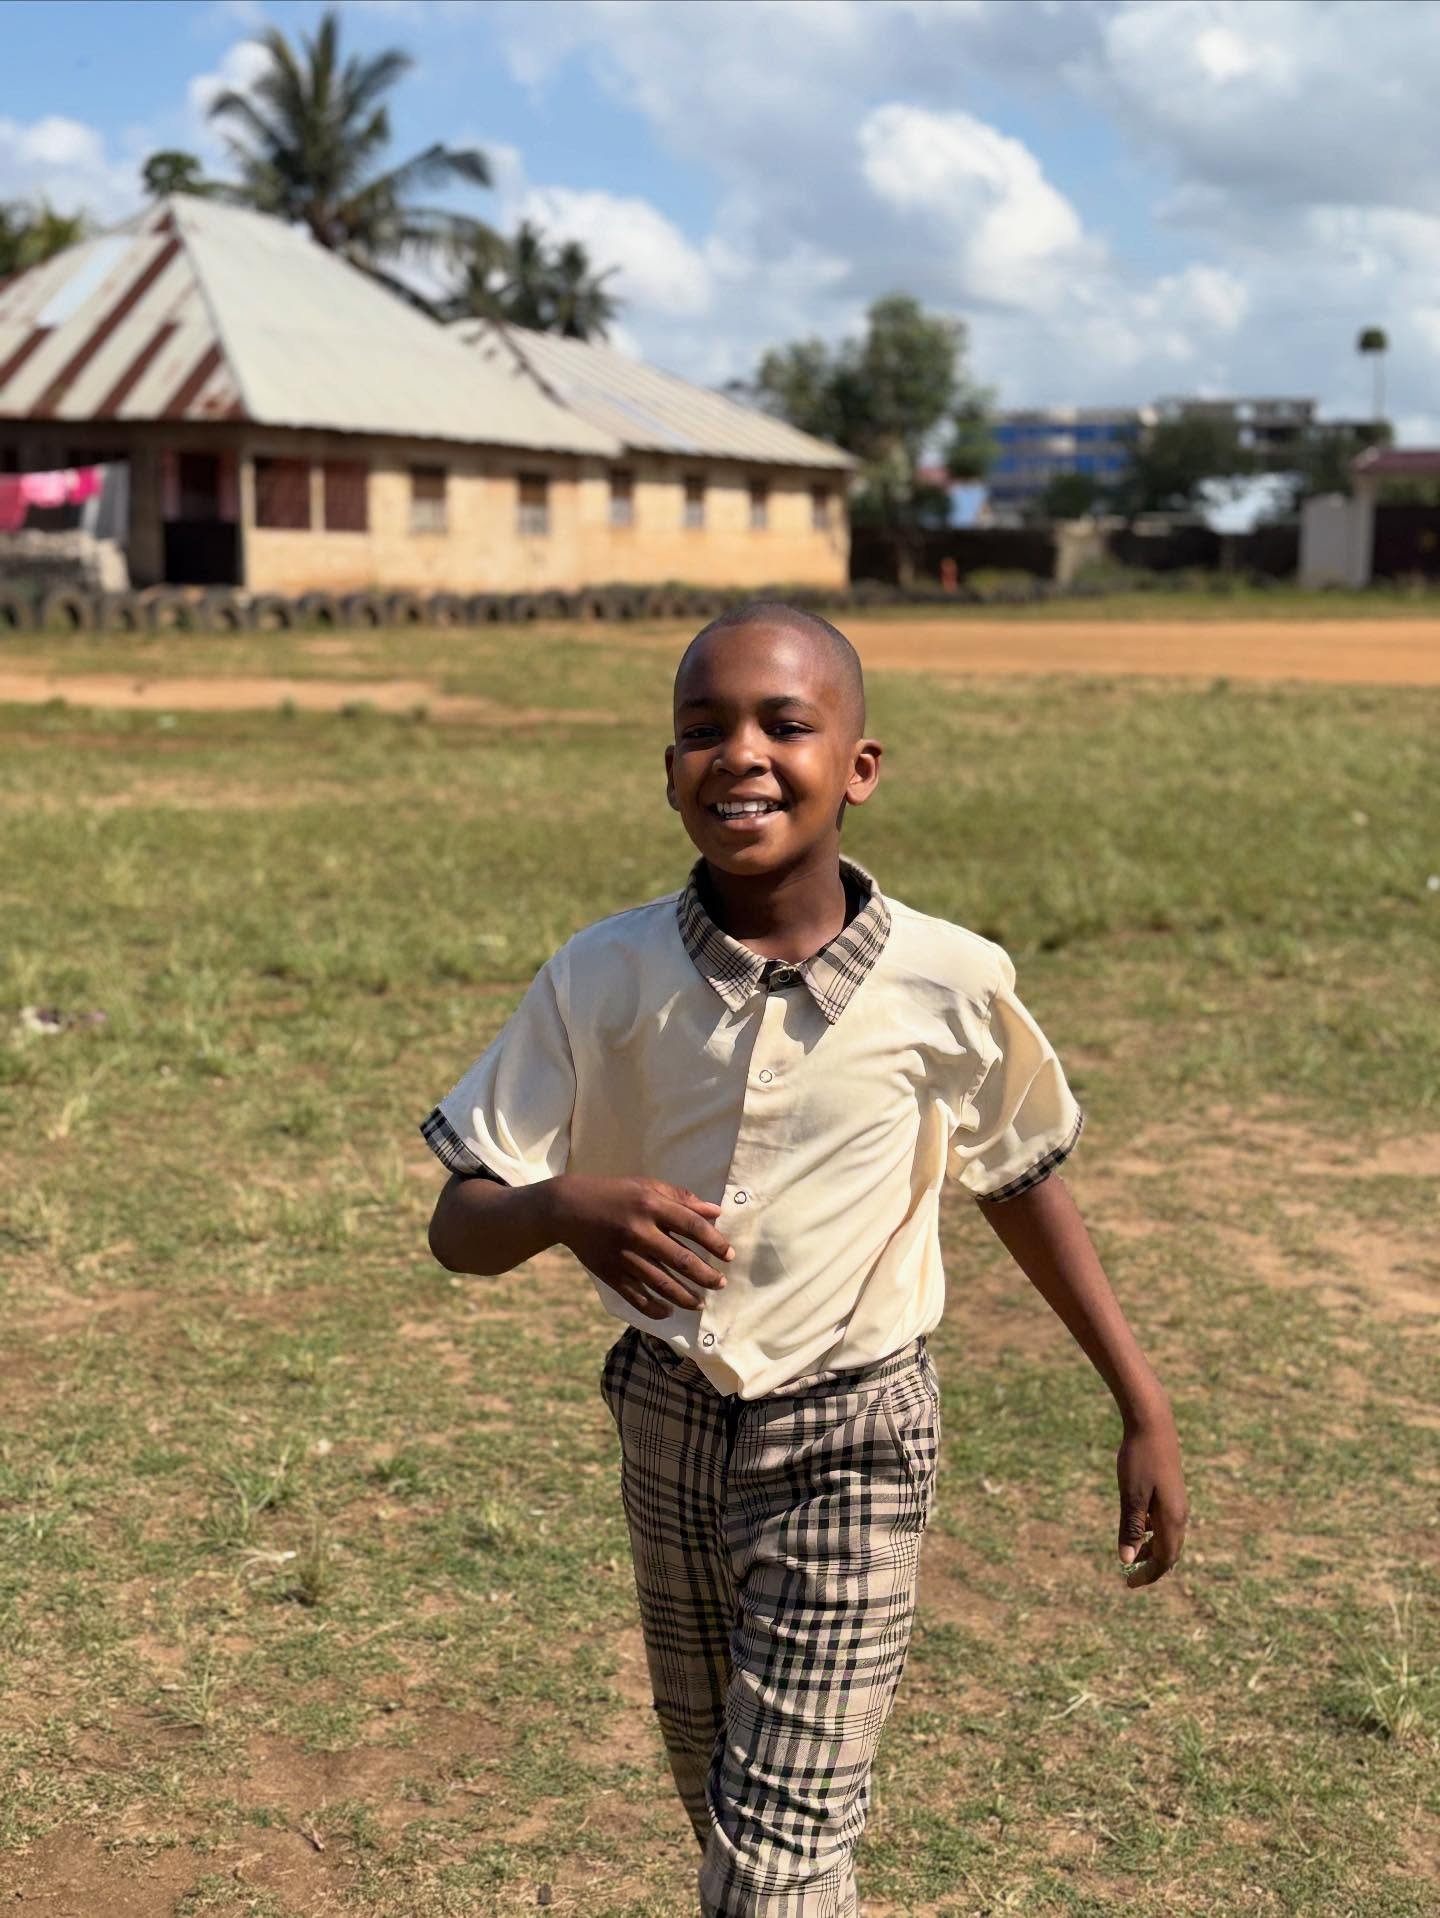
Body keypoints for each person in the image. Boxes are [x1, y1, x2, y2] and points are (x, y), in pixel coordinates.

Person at [421, 601, 1189, 1916]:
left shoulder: (948, 980)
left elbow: (1021, 1180)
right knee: (726, 1803)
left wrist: (1143, 1405)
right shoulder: (601, 976)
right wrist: (560, 1206)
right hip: (668, 1421)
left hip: (856, 1433)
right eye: (701, 729)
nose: (742, 755)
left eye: (786, 723)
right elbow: (459, 1218)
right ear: (666, 768)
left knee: (770, 1870)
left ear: (861, 765)